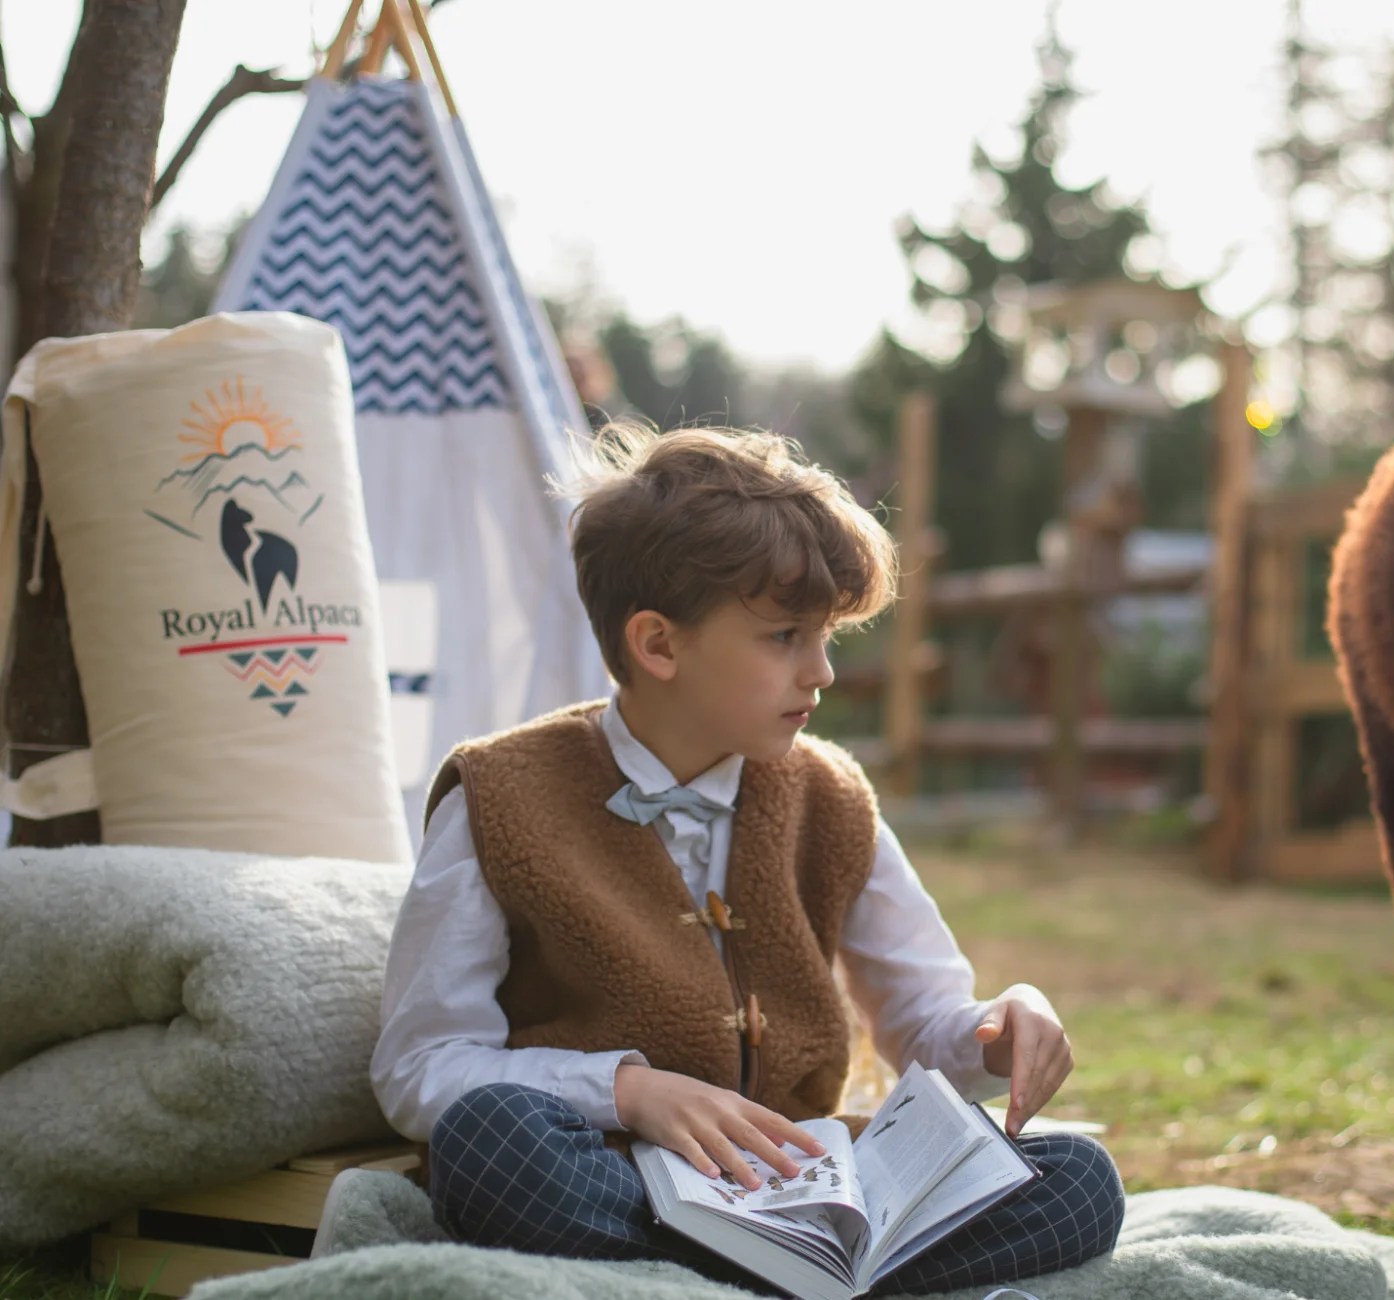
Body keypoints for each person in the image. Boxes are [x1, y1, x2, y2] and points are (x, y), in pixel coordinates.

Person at [361, 427, 1124, 1294]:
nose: (824, 672)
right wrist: (629, 1093)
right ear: (659, 645)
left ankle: (728, 1282)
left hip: (805, 1192)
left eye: (828, 634)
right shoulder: (498, 795)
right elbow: (421, 1067)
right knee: (489, 1142)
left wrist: (1000, 1027)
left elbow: (923, 1022)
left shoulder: (832, 798)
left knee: (1079, 1181)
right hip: (618, 1187)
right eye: (785, 636)